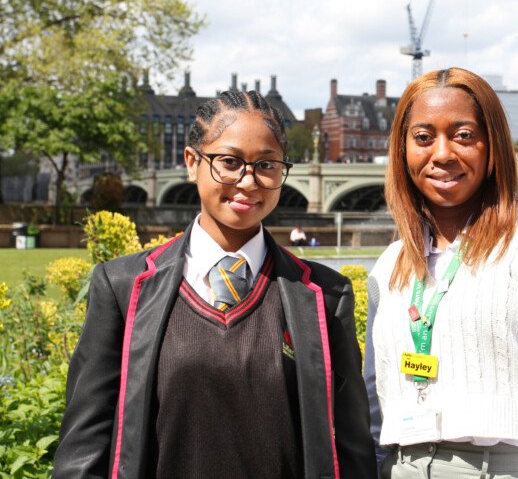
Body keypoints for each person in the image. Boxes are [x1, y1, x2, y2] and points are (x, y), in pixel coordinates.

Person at [54, 90, 376, 478]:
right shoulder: (122, 288)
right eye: (229, 161)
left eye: (266, 165)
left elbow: (352, 448)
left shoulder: (325, 296)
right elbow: (84, 448)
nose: (248, 181)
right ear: (192, 163)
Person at [364, 68, 518, 478]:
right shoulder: (390, 265)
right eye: (423, 137)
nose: (442, 153)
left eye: (463, 135)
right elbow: (375, 405)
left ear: (493, 145)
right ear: (402, 151)